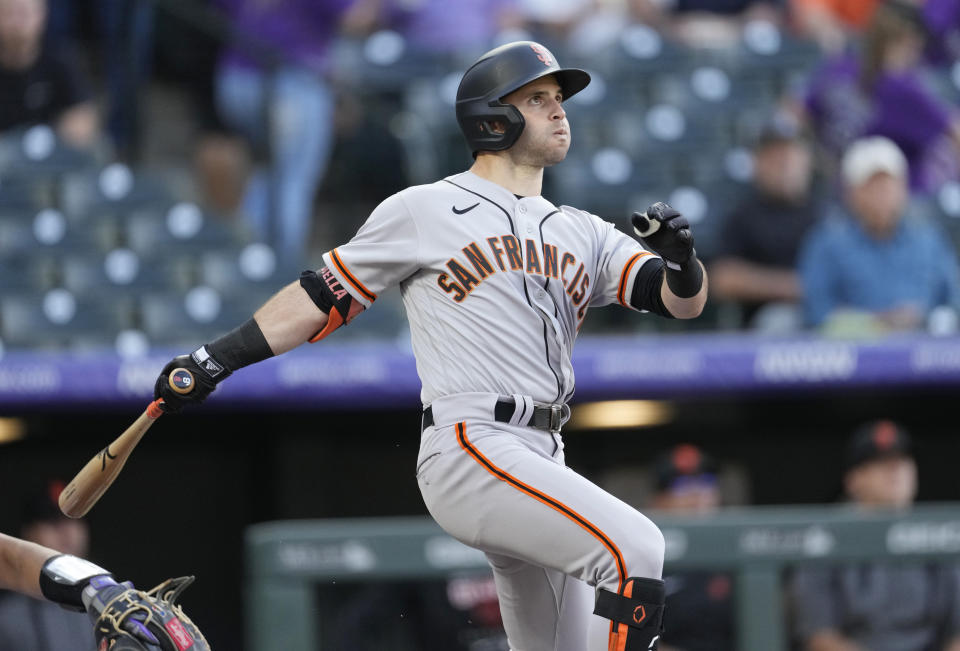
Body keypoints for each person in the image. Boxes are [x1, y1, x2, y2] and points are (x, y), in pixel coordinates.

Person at [151, 40, 708, 651]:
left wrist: (682, 264)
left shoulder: (584, 230)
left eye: (559, 99)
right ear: (493, 118)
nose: (558, 111)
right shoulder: (427, 208)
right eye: (539, 98)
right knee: (637, 549)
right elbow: (320, 296)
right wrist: (215, 358)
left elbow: (679, 301)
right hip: (471, 443)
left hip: (543, 452)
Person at [790, 420, 960, 651]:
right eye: (881, 463)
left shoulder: (940, 533)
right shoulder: (826, 536)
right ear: (853, 480)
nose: (895, 471)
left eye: (902, 460)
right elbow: (819, 636)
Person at [798, 136, 960, 332]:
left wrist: (926, 318)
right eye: (871, 185)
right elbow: (817, 312)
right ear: (851, 193)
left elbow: (954, 299)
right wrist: (878, 322)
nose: (883, 193)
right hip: (856, 354)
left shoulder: (929, 240)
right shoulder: (827, 242)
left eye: (889, 184)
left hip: (926, 351)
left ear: (903, 189)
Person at [801, 0, 960, 194]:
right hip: (865, 192)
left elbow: (795, 112)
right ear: (910, 42)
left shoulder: (841, 68)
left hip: (871, 192)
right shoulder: (899, 87)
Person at [709, 112, 820, 330]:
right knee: (780, 319)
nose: (784, 163)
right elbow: (722, 280)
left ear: (807, 159)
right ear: (757, 162)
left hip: (832, 312)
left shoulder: (826, 211)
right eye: (774, 155)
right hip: (770, 322)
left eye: (791, 153)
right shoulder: (743, 216)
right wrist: (789, 286)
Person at [647, 445, 735, 651]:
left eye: (706, 483)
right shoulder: (646, 557)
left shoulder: (736, 551)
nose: (698, 495)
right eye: (683, 485)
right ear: (658, 501)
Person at [0, 481, 95, 650]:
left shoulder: (105, 608)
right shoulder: (7, 618)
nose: (66, 531)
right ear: (28, 533)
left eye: (74, 519)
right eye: (52, 521)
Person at [0, 0, 98, 147]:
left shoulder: (61, 57)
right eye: (9, 14)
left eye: (23, 14)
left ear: (42, 15)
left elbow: (83, 115)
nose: (17, 24)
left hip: (51, 155)